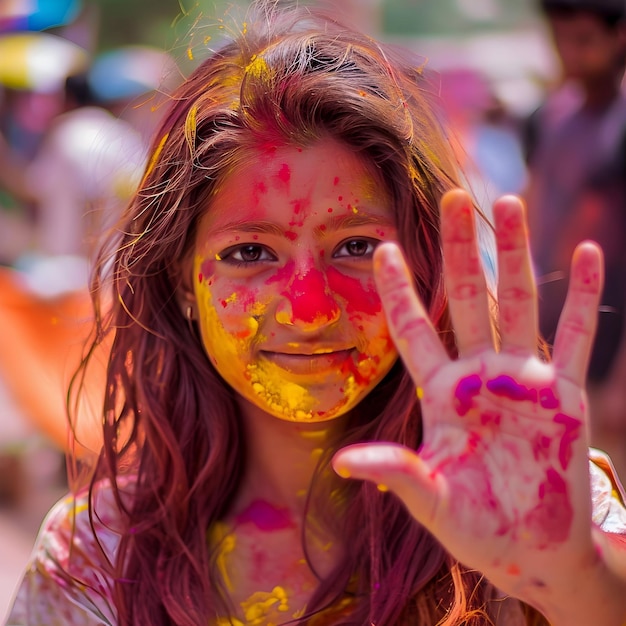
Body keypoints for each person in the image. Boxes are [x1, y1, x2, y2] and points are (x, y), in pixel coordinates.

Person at [6, 2, 626, 624]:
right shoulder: (94, 558)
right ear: (182, 283)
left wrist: (572, 580)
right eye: (249, 252)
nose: (308, 311)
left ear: (426, 264)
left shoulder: (534, 491)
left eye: (357, 247)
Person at [523, 0, 626, 475]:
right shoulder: (548, 119)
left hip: (608, 353)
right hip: (548, 342)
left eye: (583, 40)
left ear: (619, 37)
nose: (569, 53)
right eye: (560, 39)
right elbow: (532, 215)